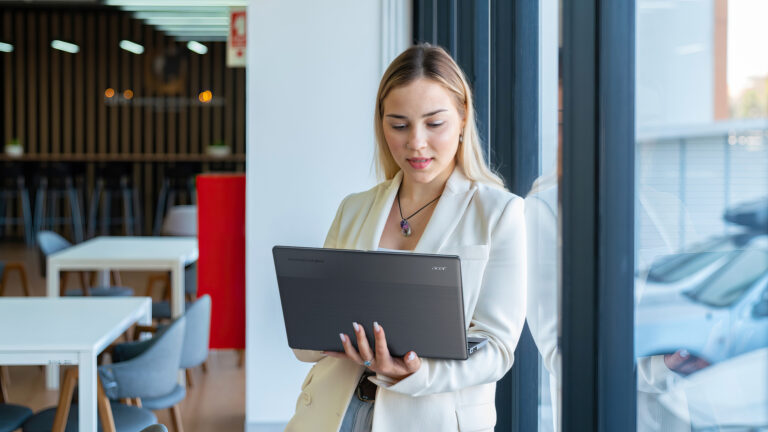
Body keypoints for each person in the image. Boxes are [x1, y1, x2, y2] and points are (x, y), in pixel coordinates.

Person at [285, 44, 527, 432]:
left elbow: (497, 349)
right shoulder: (355, 208)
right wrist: (321, 333)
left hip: (429, 417)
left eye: (434, 124)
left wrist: (413, 372)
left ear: (463, 118)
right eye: (399, 125)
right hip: (333, 414)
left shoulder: (499, 213)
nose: (415, 142)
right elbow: (308, 340)